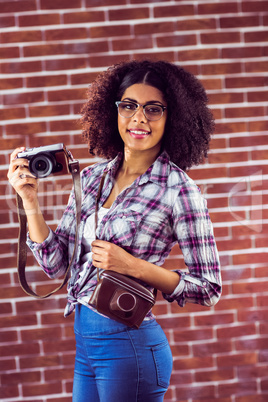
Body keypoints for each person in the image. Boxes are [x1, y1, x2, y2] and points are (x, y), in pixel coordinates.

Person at [8, 59, 222, 402]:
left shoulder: (179, 190)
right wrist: (29, 202)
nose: (139, 118)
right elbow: (57, 266)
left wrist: (134, 266)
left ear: (173, 117)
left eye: (153, 109)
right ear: (114, 112)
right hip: (86, 344)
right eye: (129, 106)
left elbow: (208, 287)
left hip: (130, 347)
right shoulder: (91, 179)